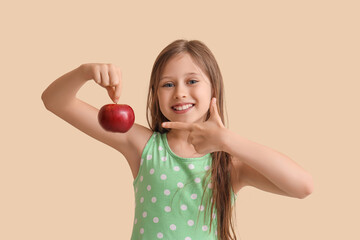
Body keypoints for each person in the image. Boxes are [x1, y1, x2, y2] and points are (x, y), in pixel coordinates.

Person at [42, 39, 314, 240]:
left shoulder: (230, 164)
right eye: (168, 84)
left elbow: (303, 186)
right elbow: (55, 101)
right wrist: (84, 72)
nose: (180, 93)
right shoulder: (142, 145)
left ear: (213, 89)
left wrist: (228, 140)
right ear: (155, 94)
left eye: (192, 81)